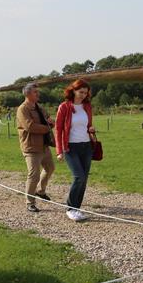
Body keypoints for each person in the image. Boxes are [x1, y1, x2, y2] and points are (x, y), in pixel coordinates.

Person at [55, 79, 96, 222]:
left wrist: (90, 129)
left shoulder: (87, 106)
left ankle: (77, 209)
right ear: (73, 90)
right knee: (79, 177)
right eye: (81, 92)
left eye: (86, 93)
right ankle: (70, 208)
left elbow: (88, 124)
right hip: (70, 147)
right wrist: (59, 151)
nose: (83, 95)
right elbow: (58, 129)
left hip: (86, 146)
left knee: (84, 179)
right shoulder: (64, 107)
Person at [16, 83, 55, 212]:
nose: (38, 94)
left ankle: (40, 191)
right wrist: (48, 127)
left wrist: (51, 122)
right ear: (27, 94)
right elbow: (30, 126)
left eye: (38, 92)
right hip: (31, 147)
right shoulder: (23, 109)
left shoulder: (40, 107)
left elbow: (49, 119)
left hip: (43, 145)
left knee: (50, 168)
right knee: (34, 175)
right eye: (35, 92)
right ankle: (29, 202)